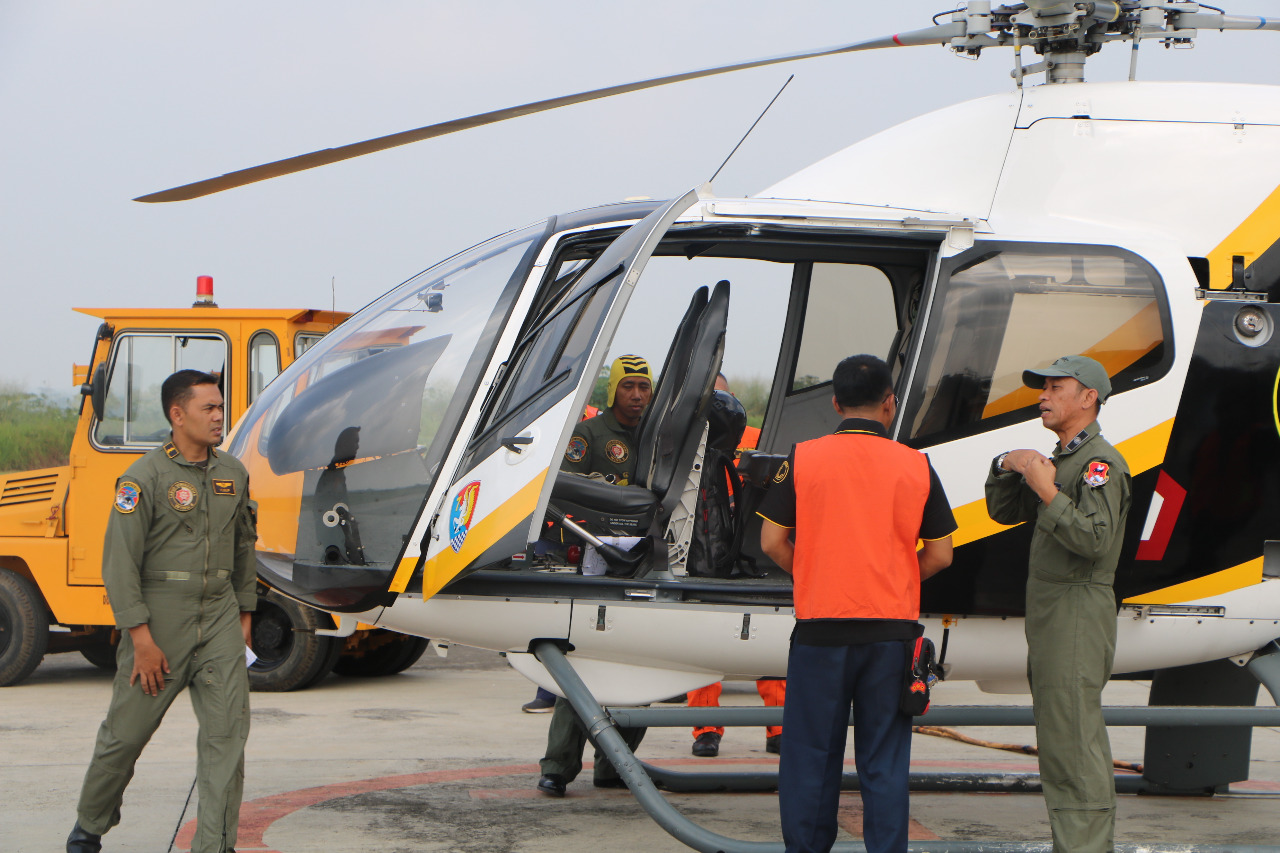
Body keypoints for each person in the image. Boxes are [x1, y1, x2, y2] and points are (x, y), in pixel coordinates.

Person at [758, 354, 956, 853]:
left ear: (835, 403)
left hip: (820, 633)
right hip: (891, 637)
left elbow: (771, 542)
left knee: (810, 758)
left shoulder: (802, 457)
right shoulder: (916, 465)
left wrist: (814, 571)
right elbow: (941, 553)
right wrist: (896, 576)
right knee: (884, 763)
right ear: (890, 404)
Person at [67, 370, 257, 853]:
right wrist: (141, 638)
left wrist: (244, 617)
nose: (219, 417)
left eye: (220, 407)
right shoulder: (142, 479)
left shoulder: (233, 474)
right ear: (177, 415)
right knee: (125, 735)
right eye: (208, 409)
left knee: (227, 739)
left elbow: (243, 550)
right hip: (158, 623)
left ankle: (215, 845)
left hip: (218, 618)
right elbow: (120, 564)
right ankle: (88, 827)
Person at [984, 355, 1131, 853]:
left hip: (1075, 611)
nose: (1042, 395)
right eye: (1041, 387)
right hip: (1053, 613)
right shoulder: (1063, 460)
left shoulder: (1099, 465)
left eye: (1055, 387)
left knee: (1073, 742)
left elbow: (1095, 540)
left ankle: (1085, 847)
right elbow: (1003, 510)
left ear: (1088, 397)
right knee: (1061, 736)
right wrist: (1010, 462)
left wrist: (1047, 489)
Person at [536, 354, 653, 797]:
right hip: (594, 566)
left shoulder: (657, 434)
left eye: (644, 386)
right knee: (585, 665)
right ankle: (558, 767)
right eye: (629, 386)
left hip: (642, 565)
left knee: (643, 666)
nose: (638, 395)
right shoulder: (589, 435)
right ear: (614, 389)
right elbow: (563, 494)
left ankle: (615, 767)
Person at [688, 373, 786, 758]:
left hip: (747, 567)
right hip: (702, 567)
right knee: (702, 652)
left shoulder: (752, 461)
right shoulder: (684, 466)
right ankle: (705, 729)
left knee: (773, 649)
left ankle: (780, 727)